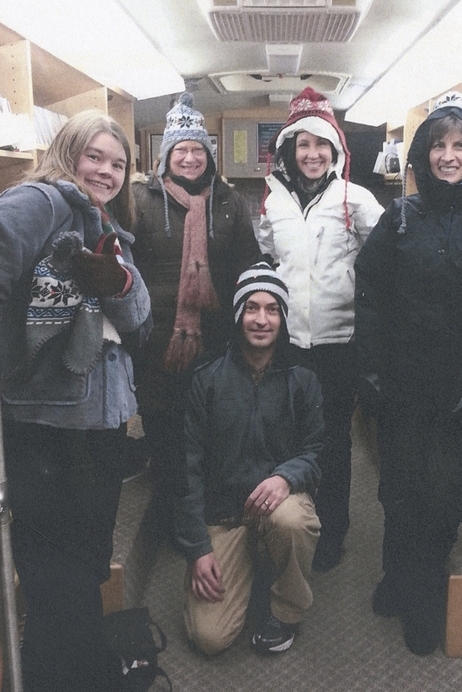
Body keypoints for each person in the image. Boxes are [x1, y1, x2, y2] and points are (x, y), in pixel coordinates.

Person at [0, 110, 152, 692]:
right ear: (68, 152)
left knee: (82, 568)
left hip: (99, 425)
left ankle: (79, 673)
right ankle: (74, 677)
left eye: (117, 163)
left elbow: (139, 320)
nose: (106, 171)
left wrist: (121, 282)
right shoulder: (38, 203)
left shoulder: (106, 222)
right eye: (95, 157)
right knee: (57, 576)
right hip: (47, 427)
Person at [354, 91, 462, 655]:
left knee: (442, 497)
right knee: (400, 490)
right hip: (404, 383)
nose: (449, 155)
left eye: (461, 145)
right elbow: (370, 291)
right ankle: (396, 578)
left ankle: (424, 601)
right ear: (422, 153)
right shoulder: (402, 217)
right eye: (438, 144)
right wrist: (373, 368)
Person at [258, 87, 384, 571]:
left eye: (321, 144)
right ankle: (293, 525)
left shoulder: (356, 198)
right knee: (288, 436)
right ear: (289, 149)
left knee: (333, 440)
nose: (312, 154)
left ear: (334, 149)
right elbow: (270, 256)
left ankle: (332, 534)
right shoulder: (274, 201)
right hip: (287, 344)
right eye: (302, 145)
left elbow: (386, 256)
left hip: (339, 344)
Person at [174, 261, 323, 656]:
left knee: (292, 520)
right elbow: (186, 470)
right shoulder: (206, 379)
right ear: (239, 315)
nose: (261, 319)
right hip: (224, 517)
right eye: (252, 308)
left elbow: (316, 451)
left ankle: (285, 611)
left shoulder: (303, 379)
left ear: (283, 317)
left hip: (277, 505)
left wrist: (287, 477)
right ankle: (249, 565)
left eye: (272, 309)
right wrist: (198, 549)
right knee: (209, 638)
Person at [131, 92, 259, 519]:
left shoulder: (230, 202)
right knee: (165, 434)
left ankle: (211, 517)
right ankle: (174, 518)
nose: (189, 158)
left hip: (218, 341)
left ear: (209, 154)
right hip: (157, 344)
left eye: (197, 149)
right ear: (166, 155)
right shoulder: (139, 202)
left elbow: (248, 263)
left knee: (213, 431)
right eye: (180, 150)